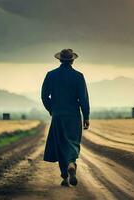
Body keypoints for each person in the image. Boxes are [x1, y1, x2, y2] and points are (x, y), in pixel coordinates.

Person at [41, 49, 90, 187]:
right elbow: (84, 99)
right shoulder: (78, 76)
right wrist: (86, 116)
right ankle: (71, 164)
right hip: (74, 116)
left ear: (60, 60)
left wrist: (52, 109)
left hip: (58, 116)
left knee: (61, 145)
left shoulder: (51, 75)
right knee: (73, 143)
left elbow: (44, 96)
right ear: (72, 60)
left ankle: (64, 176)